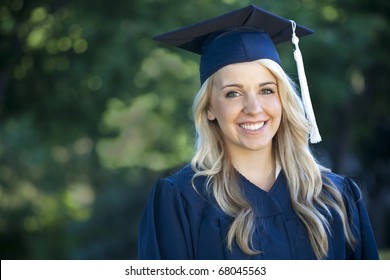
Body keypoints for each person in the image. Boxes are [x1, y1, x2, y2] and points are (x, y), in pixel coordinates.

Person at [137, 5, 379, 260]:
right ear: (209, 107)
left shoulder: (335, 197)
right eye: (233, 93)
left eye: (266, 90)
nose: (254, 108)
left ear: (283, 99)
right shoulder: (182, 201)